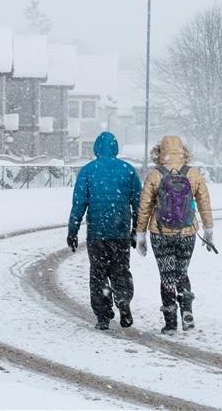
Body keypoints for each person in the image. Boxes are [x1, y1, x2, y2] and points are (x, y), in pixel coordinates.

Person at [135, 135, 214, 334]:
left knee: (167, 276)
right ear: (183, 151)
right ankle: (187, 312)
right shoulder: (193, 173)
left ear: (160, 151)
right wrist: (209, 229)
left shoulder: (155, 175)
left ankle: (170, 322)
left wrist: (140, 234)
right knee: (182, 273)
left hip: (160, 233)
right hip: (187, 232)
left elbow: (144, 206)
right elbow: (204, 202)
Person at [67, 131, 142, 330]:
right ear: (115, 148)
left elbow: (79, 204)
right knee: (120, 270)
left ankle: (103, 315)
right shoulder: (128, 170)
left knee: (98, 273)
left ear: (96, 149)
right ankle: (123, 301)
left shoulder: (88, 171)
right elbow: (139, 204)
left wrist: (72, 231)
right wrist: (136, 230)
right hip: (120, 232)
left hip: (96, 233)